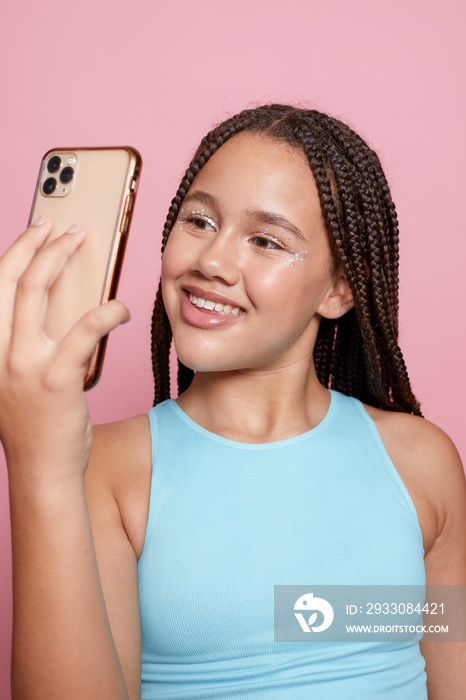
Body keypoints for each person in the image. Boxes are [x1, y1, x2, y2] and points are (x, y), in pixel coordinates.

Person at [1, 104, 465, 700]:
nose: (211, 262)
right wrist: (39, 464)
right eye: (198, 221)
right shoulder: (105, 472)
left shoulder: (421, 464)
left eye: (266, 240)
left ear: (340, 287)